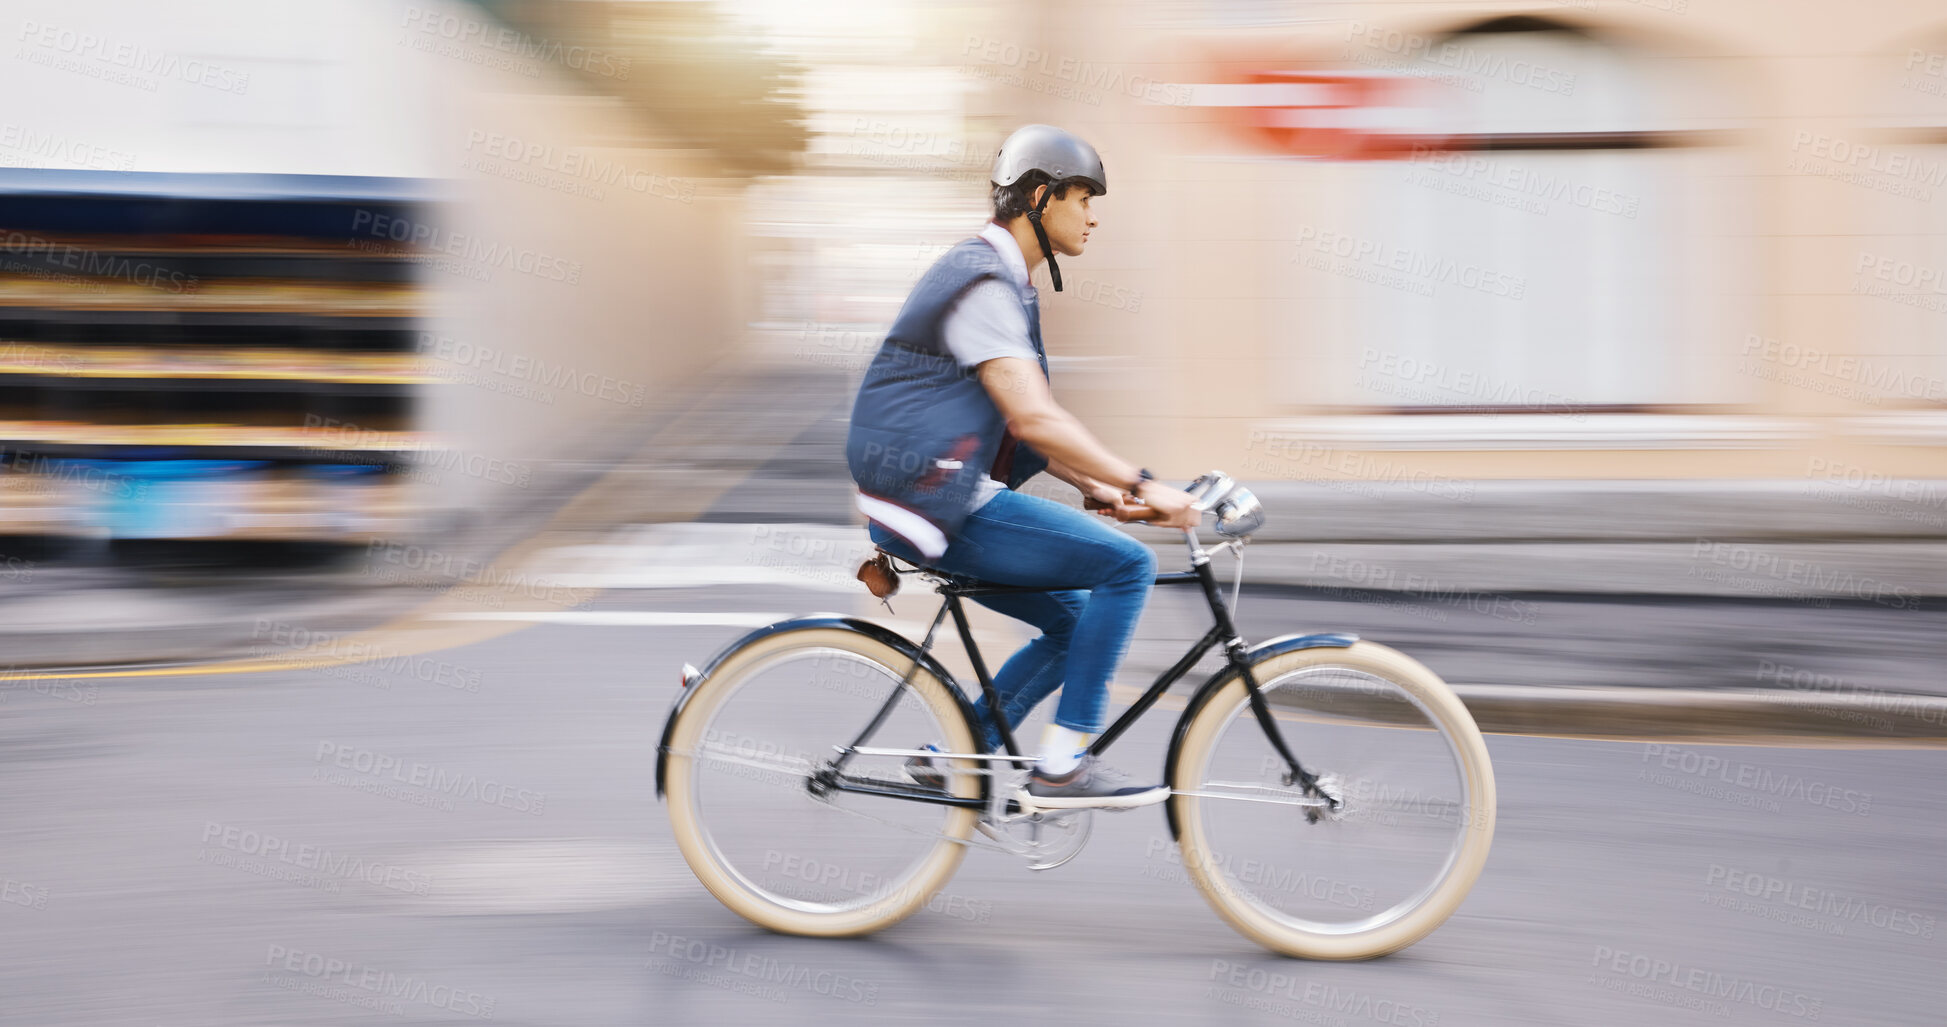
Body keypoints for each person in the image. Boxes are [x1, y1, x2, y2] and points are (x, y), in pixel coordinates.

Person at [844, 124, 1198, 810]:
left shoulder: (999, 276)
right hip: (937, 499)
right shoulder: (982, 281)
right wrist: (1140, 483)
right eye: (1081, 197)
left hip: (931, 494)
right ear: (1040, 197)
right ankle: (1061, 763)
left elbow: (1019, 420)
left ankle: (956, 750)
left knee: (1072, 621)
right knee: (1128, 567)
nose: (1093, 215)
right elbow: (1034, 418)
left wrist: (1099, 488)